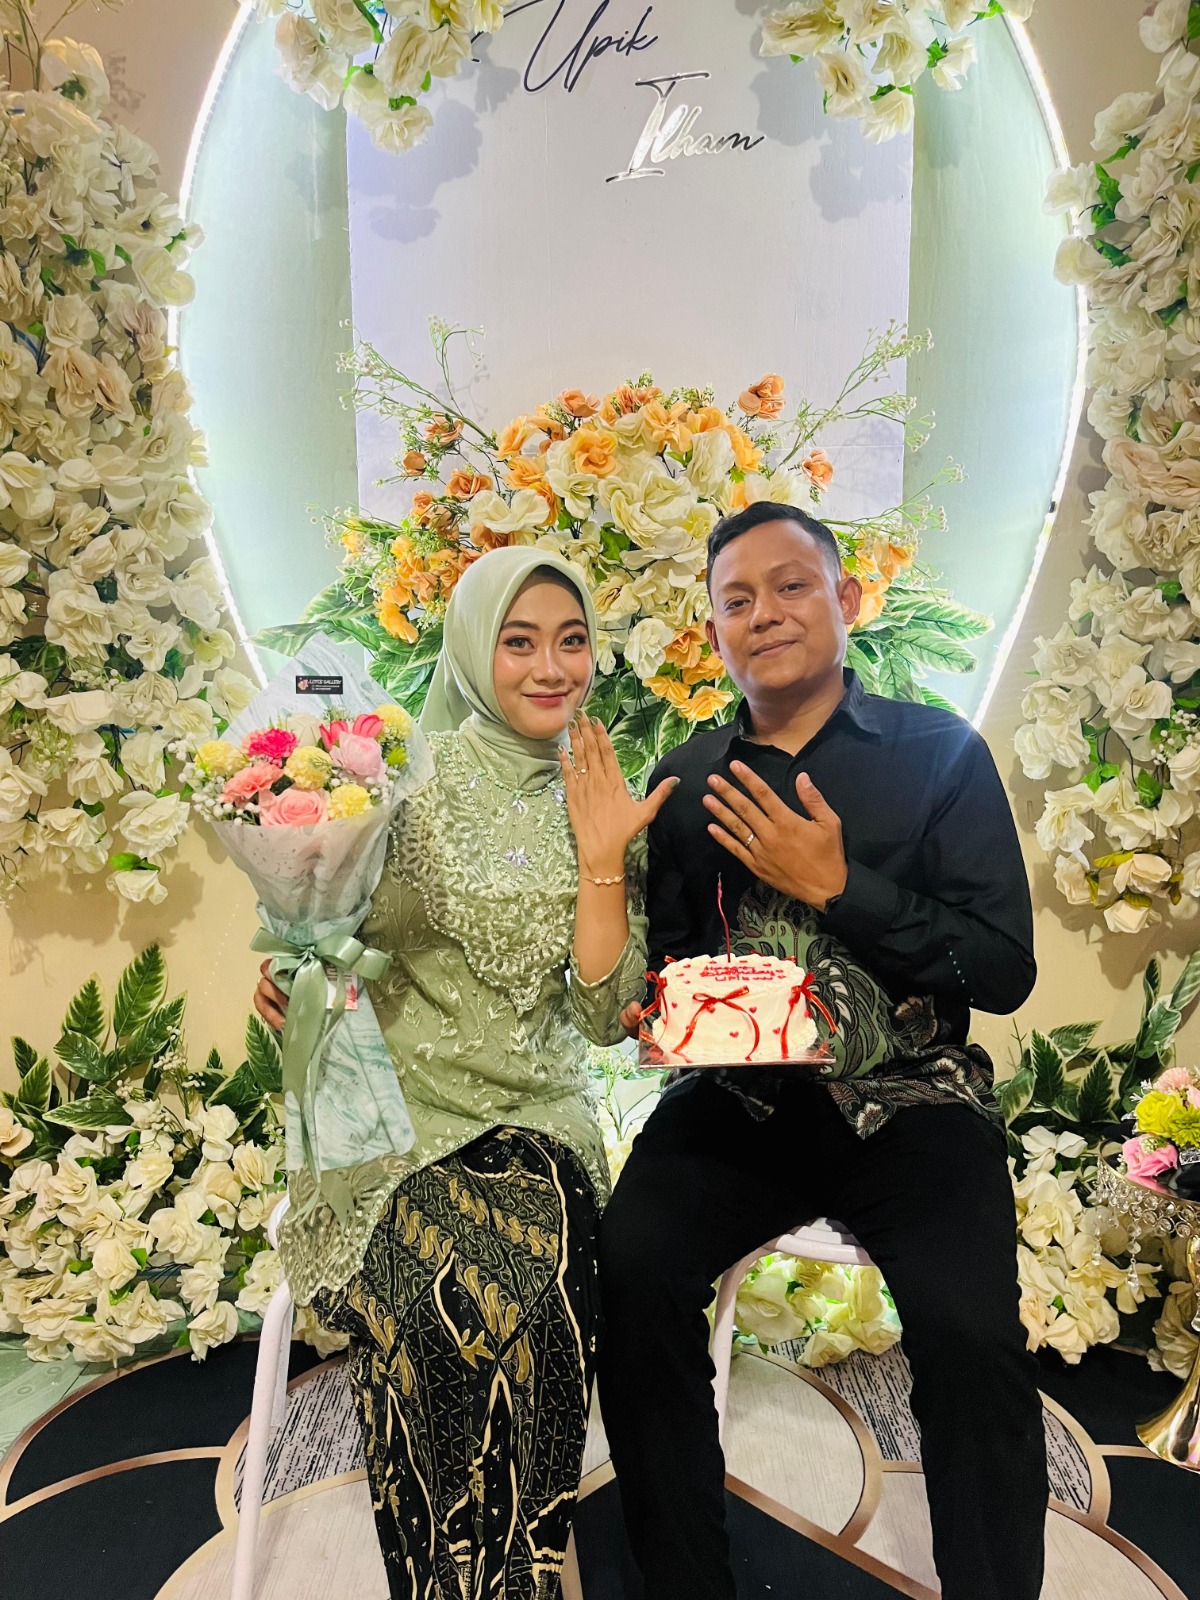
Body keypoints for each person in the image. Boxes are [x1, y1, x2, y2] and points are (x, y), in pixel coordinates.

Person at [597, 501, 1047, 1600]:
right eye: (736, 600)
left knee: (970, 1330)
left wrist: (845, 888)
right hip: (738, 1106)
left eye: (791, 586)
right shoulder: (685, 779)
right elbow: (667, 962)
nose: (765, 614)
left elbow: (1002, 969)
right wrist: (656, 1003)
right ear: (713, 633)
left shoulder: (939, 753)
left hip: (913, 1103)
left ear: (845, 599)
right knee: (635, 1267)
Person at [254, 547, 669, 1600]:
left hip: (537, 1116)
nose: (551, 667)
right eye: (519, 641)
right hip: (396, 1112)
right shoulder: (400, 776)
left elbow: (602, 1017)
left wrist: (604, 855)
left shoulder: (600, 784)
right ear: (474, 649)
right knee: (433, 1303)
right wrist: (296, 969)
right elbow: (335, 931)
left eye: (571, 641)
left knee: (540, 1295)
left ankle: (517, 1575)